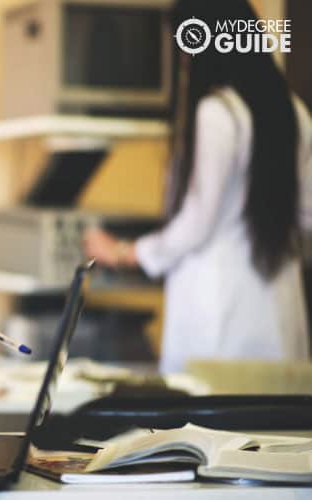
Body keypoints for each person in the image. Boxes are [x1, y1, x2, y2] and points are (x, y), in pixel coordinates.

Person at [83, 0, 312, 373]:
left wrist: (125, 251)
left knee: (210, 429)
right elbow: (307, 214)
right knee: (275, 428)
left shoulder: (217, 113)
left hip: (219, 318)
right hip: (279, 317)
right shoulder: (295, 111)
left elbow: (196, 224)